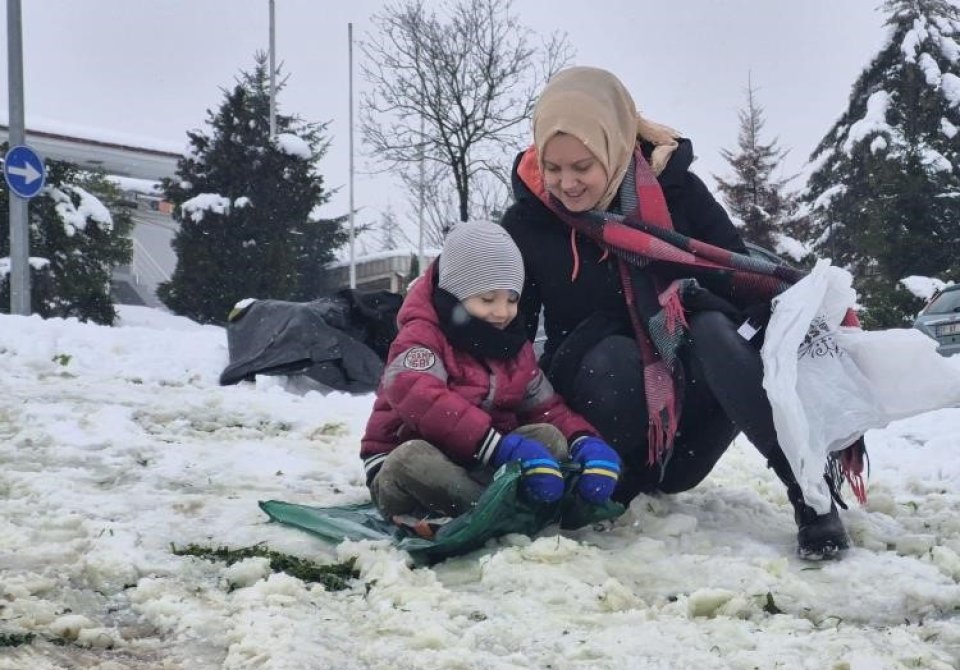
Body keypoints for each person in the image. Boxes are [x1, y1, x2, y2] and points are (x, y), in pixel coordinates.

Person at [501, 66, 858, 559]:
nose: (566, 184)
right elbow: (506, 334)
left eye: (582, 167)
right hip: (600, 425)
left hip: (686, 432)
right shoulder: (528, 222)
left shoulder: (676, 191)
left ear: (615, 144)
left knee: (713, 325)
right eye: (554, 167)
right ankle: (609, 486)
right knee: (614, 354)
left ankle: (809, 493)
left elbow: (736, 273)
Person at [359, 220, 623, 525]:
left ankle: (495, 506)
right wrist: (499, 447)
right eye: (487, 299)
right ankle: (499, 512)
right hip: (405, 472)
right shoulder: (421, 336)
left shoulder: (512, 346)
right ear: (456, 293)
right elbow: (417, 394)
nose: (502, 312)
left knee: (547, 436)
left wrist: (584, 441)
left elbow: (545, 408)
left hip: (478, 462)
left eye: (511, 299)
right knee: (413, 458)